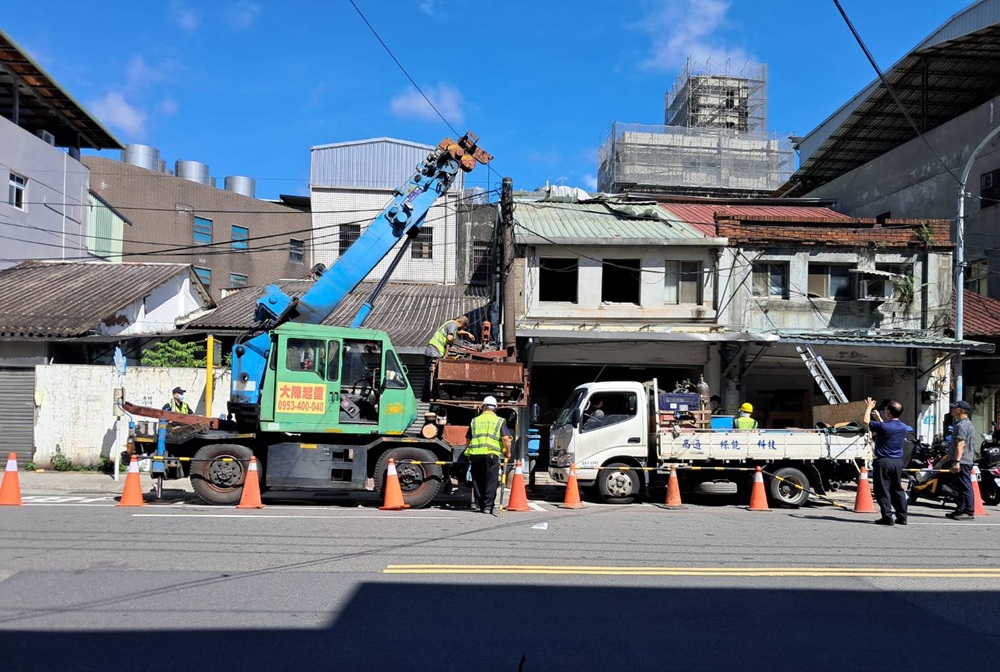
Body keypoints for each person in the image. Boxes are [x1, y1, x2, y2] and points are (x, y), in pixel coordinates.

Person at [864, 396, 908, 526]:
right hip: (897, 462)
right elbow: (886, 427)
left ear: (888, 411)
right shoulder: (903, 427)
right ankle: (902, 516)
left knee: (883, 490)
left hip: (883, 462)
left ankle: (887, 517)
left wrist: (868, 407)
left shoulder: (885, 427)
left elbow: (866, 422)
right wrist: (878, 418)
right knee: (897, 489)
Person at [464, 395, 512, 514]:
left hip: (475, 454)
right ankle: (487, 506)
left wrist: (469, 451)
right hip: (491, 455)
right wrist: (508, 453)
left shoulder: (475, 421)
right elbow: (506, 438)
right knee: (491, 481)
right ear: (495, 408)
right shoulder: (499, 421)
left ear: (483, 407)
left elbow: (468, 438)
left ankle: (479, 504)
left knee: (477, 480)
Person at [422, 315, 474, 402]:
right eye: (465, 327)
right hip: (434, 352)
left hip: (431, 351)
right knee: (432, 376)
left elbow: (457, 331)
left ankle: (431, 396)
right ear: (463, 324)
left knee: (431, 375)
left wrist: (467, 333)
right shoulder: (453, 325)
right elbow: (450, 338)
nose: (463, 328)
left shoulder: (449, 323)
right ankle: (428, 396)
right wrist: (453, 342)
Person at [945, 400, 976, 520]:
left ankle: (968, 511)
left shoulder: (962, 425)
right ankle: (961, 509)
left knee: (965, 486)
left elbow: (960, 444)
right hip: (963, 460)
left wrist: (957, 461)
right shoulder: (965, 424)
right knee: (959, 486)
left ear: (961, 411)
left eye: (955, 408)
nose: (952, 410)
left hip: (963, 461)